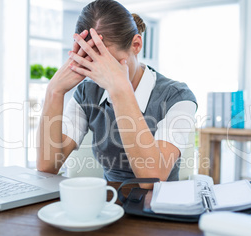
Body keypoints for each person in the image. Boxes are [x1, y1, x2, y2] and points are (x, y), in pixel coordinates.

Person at [37, 0, 197, 186]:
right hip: (110, 204)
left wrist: (120, 90)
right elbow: (47, 167)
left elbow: (151, 179)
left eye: (109, 64)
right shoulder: (87, 93)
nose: (101, 74)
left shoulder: (177, 96)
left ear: (136, 45)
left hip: (161, 208)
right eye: (91, 63)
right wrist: (54, 91)